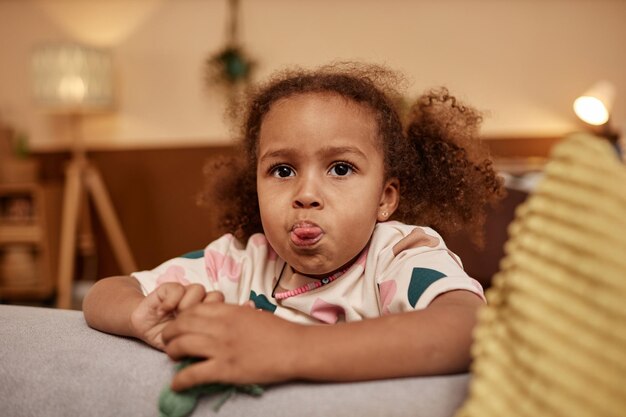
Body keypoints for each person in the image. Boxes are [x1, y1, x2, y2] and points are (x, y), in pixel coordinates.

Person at [83, 62, 504, 391]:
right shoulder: (240, 261)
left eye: (340, 168)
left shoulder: (398, 255)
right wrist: (140, 314)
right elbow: (104, 293)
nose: (306, 193)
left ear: (385, 198)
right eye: (282, 170)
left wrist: (291, 348)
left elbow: (468, 328)